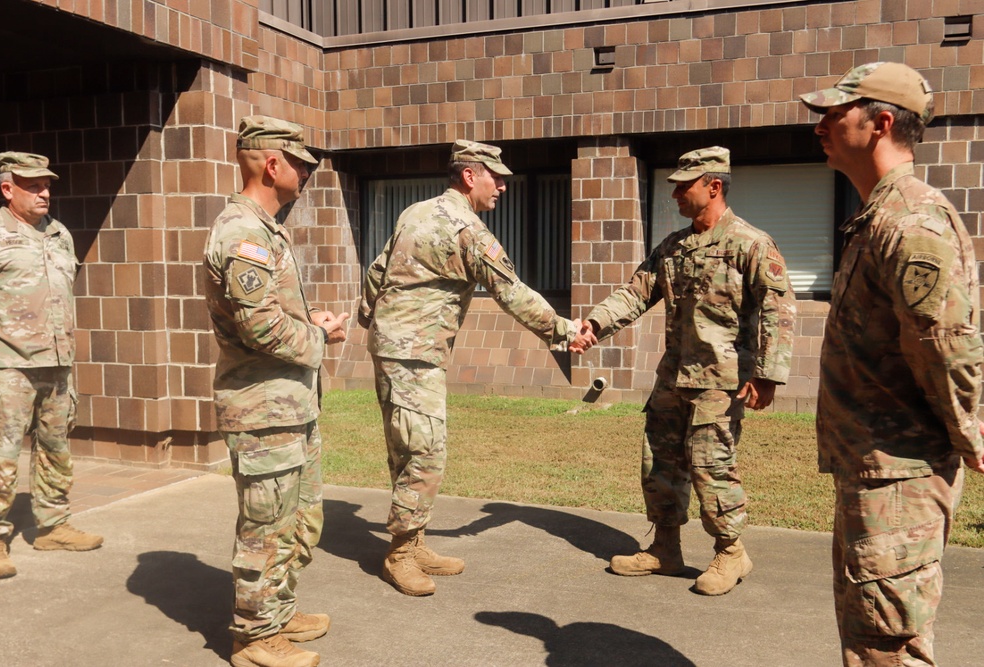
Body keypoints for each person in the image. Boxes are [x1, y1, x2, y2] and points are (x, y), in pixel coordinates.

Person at [800, 62, 984, 666]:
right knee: (870, 640)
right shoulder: (876, 216)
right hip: (877, 473)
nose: (820, 125)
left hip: (899, 480)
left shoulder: (909, 221)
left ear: (881, 123)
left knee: (888, 649)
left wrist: (972, 434)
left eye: (834, 113)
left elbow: (945, 342)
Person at [358, 139, 584, 597]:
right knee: (425, 453)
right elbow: (513, 292)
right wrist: (564, 331)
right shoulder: (467, 230)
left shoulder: (414, 212)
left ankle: (414, 541)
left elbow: (377, 270)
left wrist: (369, 315)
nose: (503, 185)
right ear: (469, 176)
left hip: (396, 348)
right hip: (413, 354)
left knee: (408, 447)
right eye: (495, 177)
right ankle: (399, 555)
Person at [571, 146, 796, 596]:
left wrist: (768, 374)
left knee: (712, 467)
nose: (674, 193)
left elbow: (779, 311)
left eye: (684, 186)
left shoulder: (751, 243)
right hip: (673, 378)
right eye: (673, 186)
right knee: (659, 463)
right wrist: (594, 323)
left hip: (722, 380)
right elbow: (636, 293)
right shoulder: (673, 247)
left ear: (713, 186)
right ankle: (665, 549)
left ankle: (731, 552)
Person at [204, 116, 349, 667]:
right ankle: (254, 637)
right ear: (273, 163)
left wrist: (309, 318)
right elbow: (259, 327)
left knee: (300, 517)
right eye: (302, 163)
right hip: (262, 409)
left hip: (288, 403)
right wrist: (321, 334)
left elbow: (269, 312)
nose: (307, 172)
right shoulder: (242, 232)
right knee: (267, 525)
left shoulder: (264, 227)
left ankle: (279, 611)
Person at [0, 152, 103, 581]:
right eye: (33, 185)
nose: (45, 193)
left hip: (57, 363)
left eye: (47, 184)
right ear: (7, 188)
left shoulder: (59, 234)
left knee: (56, 448)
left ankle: (53, 525)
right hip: (4, 366)